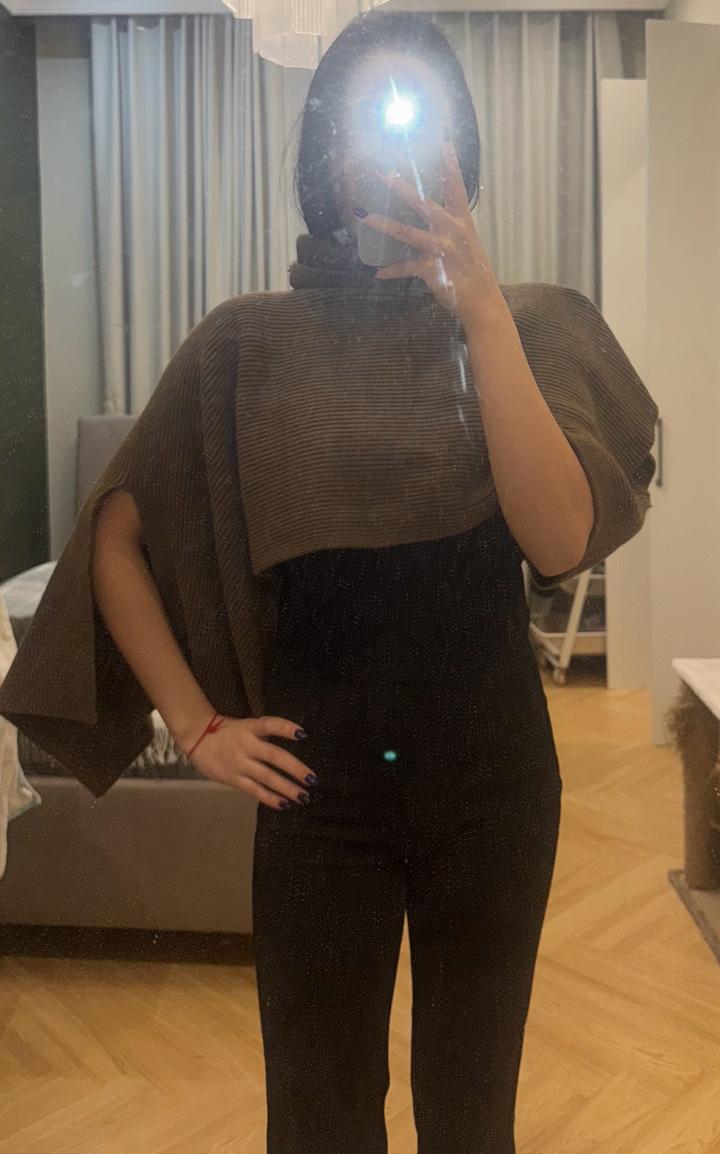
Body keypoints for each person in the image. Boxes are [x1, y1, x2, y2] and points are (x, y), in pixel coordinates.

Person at [0, 10, 659, 1154]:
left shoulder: (531, 323)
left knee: (472, 1122)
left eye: (415, 119)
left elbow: (559, 540)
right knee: (316, 1120)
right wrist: (197, 725)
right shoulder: (246, 343)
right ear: (324, 153)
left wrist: (479, 304)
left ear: (460, 146)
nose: (386, 147)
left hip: (494, 789)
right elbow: (113, 536)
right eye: (360, 121)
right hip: (318, 798)